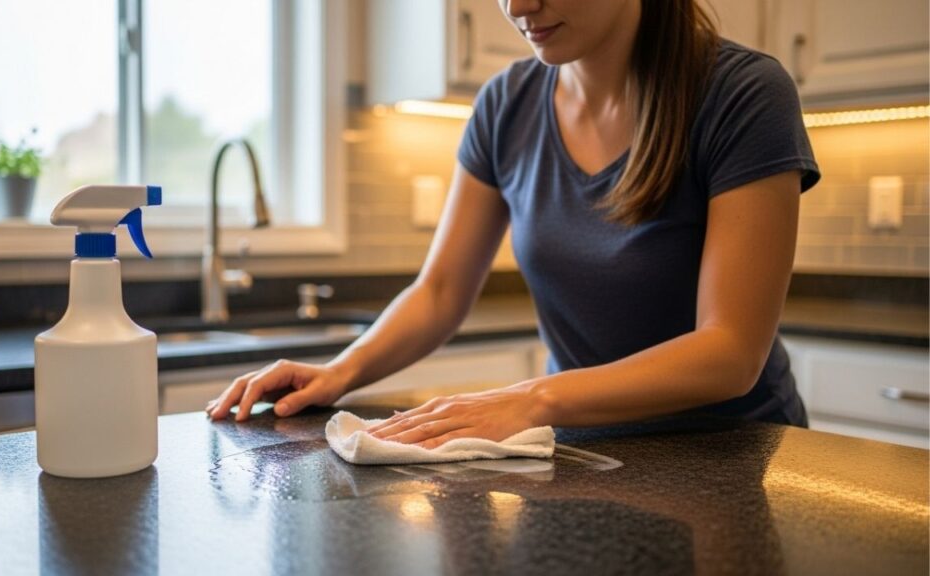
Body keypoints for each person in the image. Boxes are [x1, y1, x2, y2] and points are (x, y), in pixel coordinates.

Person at [206, 0, 820, 448]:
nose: (518, 6)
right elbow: (441, 291)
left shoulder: (743, 95)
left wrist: (532, 399)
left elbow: (730, 352)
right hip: (586, 450)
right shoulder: (506, 105)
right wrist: (339, 372)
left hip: (730, 454)